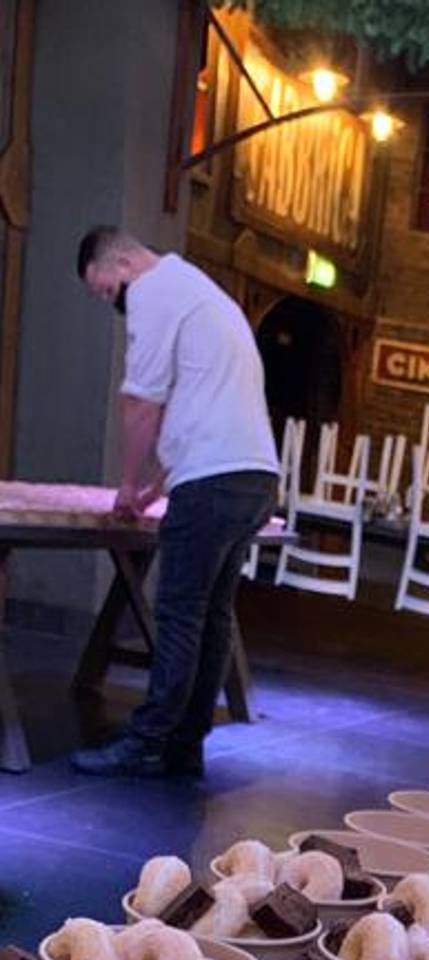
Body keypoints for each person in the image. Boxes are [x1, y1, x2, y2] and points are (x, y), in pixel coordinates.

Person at [70, 227, 279, 779]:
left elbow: (142, 404)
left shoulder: (152, 291)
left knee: (181, 613)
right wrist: (156, 489)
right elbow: (205, 403)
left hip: (213, 482)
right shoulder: (199, 289)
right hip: (255, 474)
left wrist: (125, 485)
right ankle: (185, 746)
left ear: (121, 262)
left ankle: (147, 740)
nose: (111, 302)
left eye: (105, 289)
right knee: (212, 617)